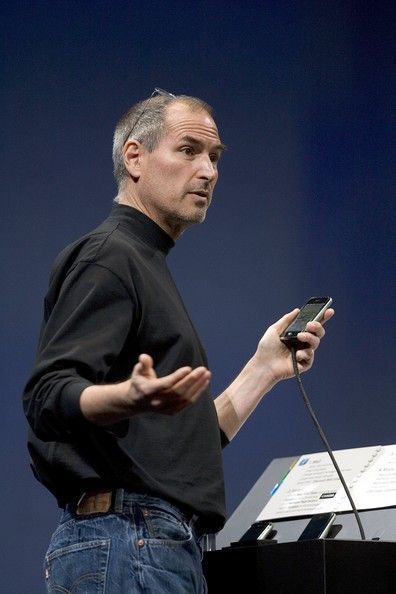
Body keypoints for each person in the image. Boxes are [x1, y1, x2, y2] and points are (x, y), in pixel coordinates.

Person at [23, 90, 334, 593]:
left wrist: (265, 369)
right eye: (188, 150)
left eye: (214, 157)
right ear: (135, 157)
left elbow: (184, 446)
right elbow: (46, 396)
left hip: (156, 544)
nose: (208, 171)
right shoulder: (111, 256)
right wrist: (123, 397)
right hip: (129, 541)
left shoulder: (145, 263)